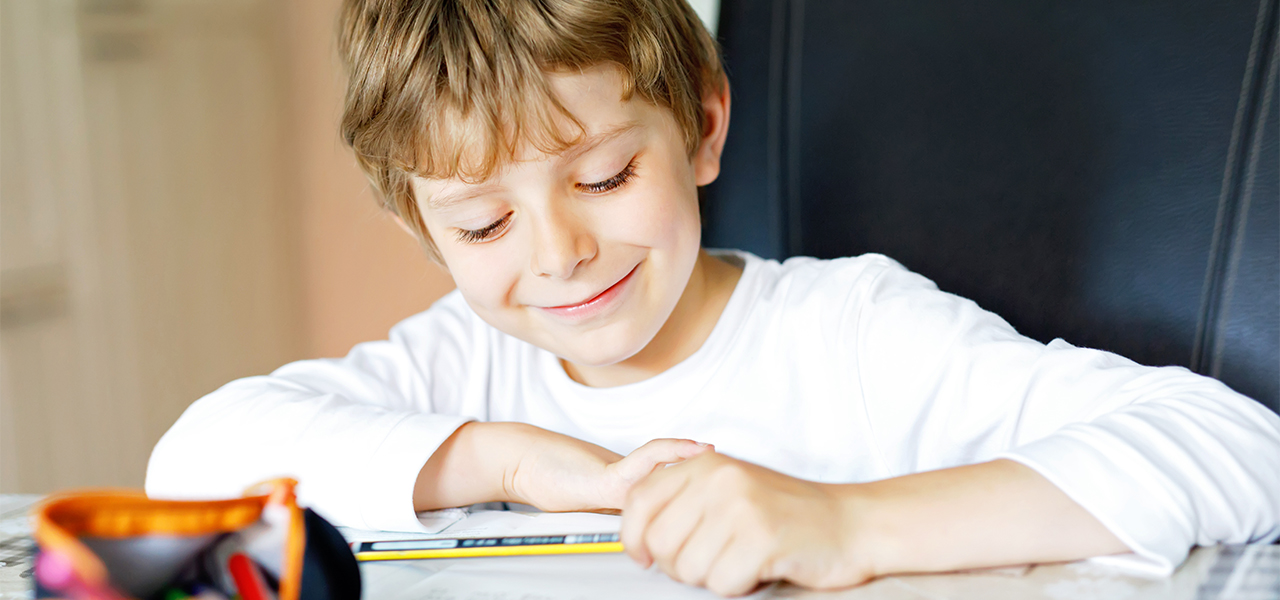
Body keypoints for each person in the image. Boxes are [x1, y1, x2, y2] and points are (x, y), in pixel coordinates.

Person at [146, 0, 1280, 595]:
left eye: (601, 177)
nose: (557, 255)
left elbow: (1240, 451)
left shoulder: (847, 335)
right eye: (483, 223)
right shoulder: (463, 367)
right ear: (421, 229)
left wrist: (842, 527)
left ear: (699, 128)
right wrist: (512, 463)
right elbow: (189, 463)